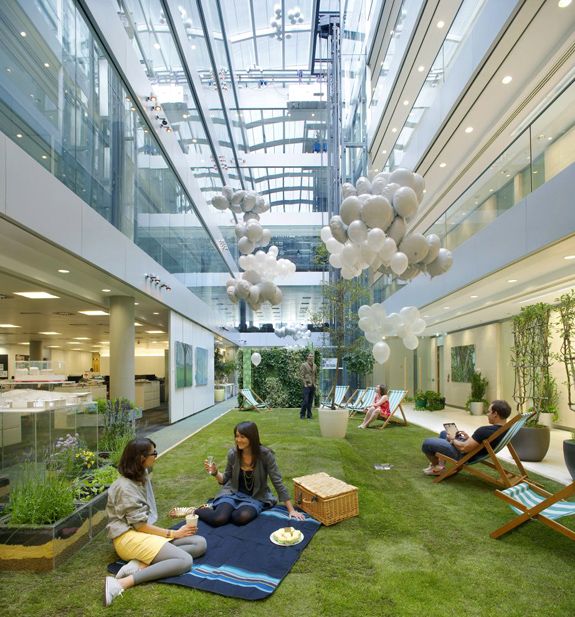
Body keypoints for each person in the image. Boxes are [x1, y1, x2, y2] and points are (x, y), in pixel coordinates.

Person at [103, 437, 207, 607]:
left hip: (138, 533)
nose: (156, 456)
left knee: (199, 543)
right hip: (127, 538)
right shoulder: (125, 487)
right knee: (185, 561)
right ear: (141, 458)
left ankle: (140, 564)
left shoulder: (139, 476)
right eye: (154, 453)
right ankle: (120, 583)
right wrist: (174, 533)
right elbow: (140, 525)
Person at [197, 421, 306, 527]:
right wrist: (215, 472)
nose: (238, 440)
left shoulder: (265, 455)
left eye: (242, 437)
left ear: (252, 437)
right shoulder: (233, 454)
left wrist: (291, 510)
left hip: (255, 496)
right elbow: (224, 480)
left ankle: (227, 510)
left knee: (240, 517)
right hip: (232, 493)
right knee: (219, 519)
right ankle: (195, 511)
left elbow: (277, 482)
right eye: (237, 436)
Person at [421, 399, 512, 476]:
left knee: (427, 443)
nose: (487, 414)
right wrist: (469, 438)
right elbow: (478, 444)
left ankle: (436, 466)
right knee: (444, 433)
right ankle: (440, 465)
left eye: (488, 412)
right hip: (474, 451)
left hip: (464, 455)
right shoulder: (506, 429)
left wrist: (453, 439)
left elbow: (463, 448)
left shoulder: (484, 430)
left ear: (495, 414)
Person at [299, 352, 317, 419]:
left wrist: (315, 384)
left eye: (312, 356)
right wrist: (305, 384)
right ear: (307, 357)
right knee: (305, 401)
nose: (311, 357)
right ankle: (302, 414)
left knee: (310, 401)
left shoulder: (315, 365)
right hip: (306, 385)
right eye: (310, 356)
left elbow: (315, 375)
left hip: (312, 385)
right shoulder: (304, 365)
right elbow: (301, 375)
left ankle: (309, 415)